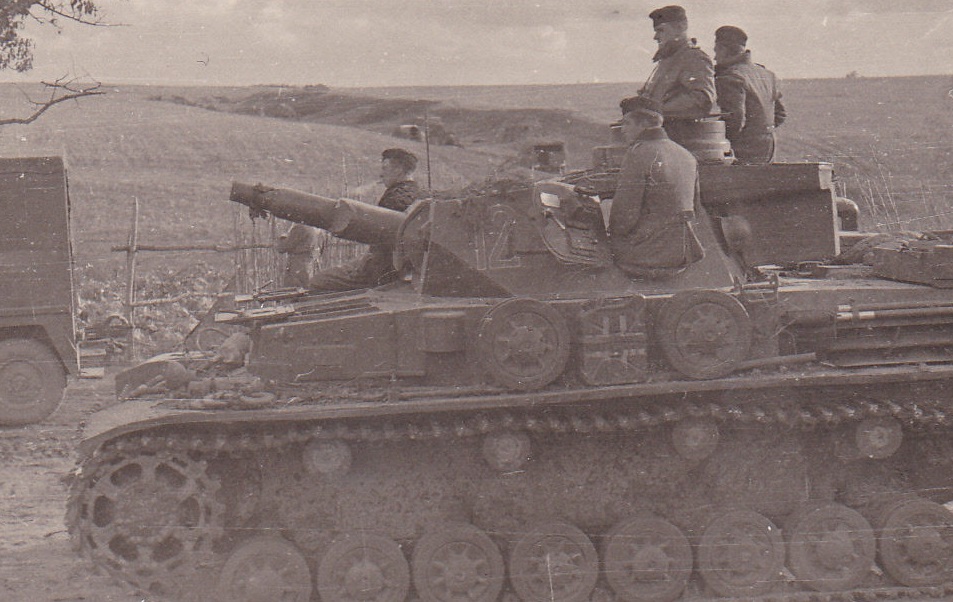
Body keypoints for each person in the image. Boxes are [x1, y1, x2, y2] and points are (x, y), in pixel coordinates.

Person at [608, 95, 705, 278]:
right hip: (683, 251)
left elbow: (624, 217)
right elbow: (696, 208)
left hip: (649, 254)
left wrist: (609, 234)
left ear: (644, 124)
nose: (622, 129)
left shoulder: (638, 154)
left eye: (627, 123)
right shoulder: (686, 155)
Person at [309, 148, 421, 291]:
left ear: (399, 170)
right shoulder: (415, 192)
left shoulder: (396, 198)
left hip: (380, 267)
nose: (381, 174)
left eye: (385, 168)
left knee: (319, 281)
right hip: (395, 265)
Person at [635, 5, 716, 144]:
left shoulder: (693, 58)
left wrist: (656, 111)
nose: (655, 37)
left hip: (681, 139)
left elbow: (702, 99)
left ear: (680, 27)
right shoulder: (667, 61)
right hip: (664, 138)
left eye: (661, 30)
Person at [714, 25, 787, 164]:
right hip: (768, 148)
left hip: (743, 150)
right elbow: (780, 115)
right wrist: (760, 131)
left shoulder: (730, 77)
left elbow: (735, 120)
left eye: (716, 51)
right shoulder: (766, 74)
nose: (714, 57)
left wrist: (716, 140)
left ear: (723, 49)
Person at [275, 223, 316, 288]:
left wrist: (283, 237)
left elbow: (282, 248)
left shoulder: (299, 228)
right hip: (307, 265)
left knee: (292, 290)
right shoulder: (312, 228)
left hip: (297, 266)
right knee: (305, 288)